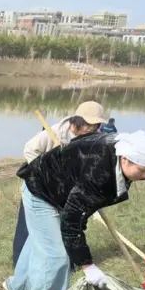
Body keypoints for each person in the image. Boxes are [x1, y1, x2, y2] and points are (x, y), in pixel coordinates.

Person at [4, 131, 145, 290]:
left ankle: (18, 288)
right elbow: (73, 221)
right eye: (143, 169)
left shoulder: (118, 147)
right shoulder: (98, 173)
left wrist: (84, 199)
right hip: (41, 190)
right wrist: (87, 265)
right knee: (57, 255)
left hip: (62, 189)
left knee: (41, 240)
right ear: (125, 159)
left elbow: (80, 141)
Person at [12, 101, 108, 267]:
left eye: (95, 125)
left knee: (64, 224)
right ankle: (21, 262)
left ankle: (65, 262)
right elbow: (29, 149)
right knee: (29, 227)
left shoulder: (93, 139)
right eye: (88, 124)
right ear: (77, 120)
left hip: (66, 189)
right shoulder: (55, 132)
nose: (91, 128)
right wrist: (46, 170)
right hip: (39, 187)